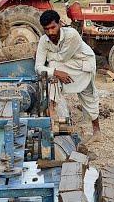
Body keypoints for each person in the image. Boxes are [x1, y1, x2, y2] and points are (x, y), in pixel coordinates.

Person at [34, 10, 100, 141]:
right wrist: (56, 72)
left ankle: (97, 131)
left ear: (60, 24)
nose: (50, 32)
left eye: (53, 27)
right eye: (46, 29)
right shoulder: (44, 40)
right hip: (63, 68)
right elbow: (38, 67)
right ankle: (53, 118)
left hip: (83, 65)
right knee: (51, 73)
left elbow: (62, 57)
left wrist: (47, 58)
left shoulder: (72, 35)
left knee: (88, 95)